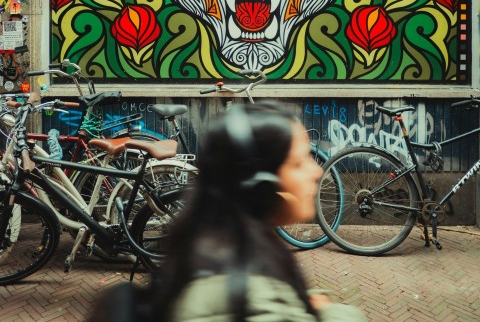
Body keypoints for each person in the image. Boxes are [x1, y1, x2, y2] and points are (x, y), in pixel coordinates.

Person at [89, 104, 365, 322]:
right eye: (298, 162)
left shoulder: (216, 250)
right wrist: (324, 310)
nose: (316, 171)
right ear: (260, 185)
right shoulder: (248, 298)